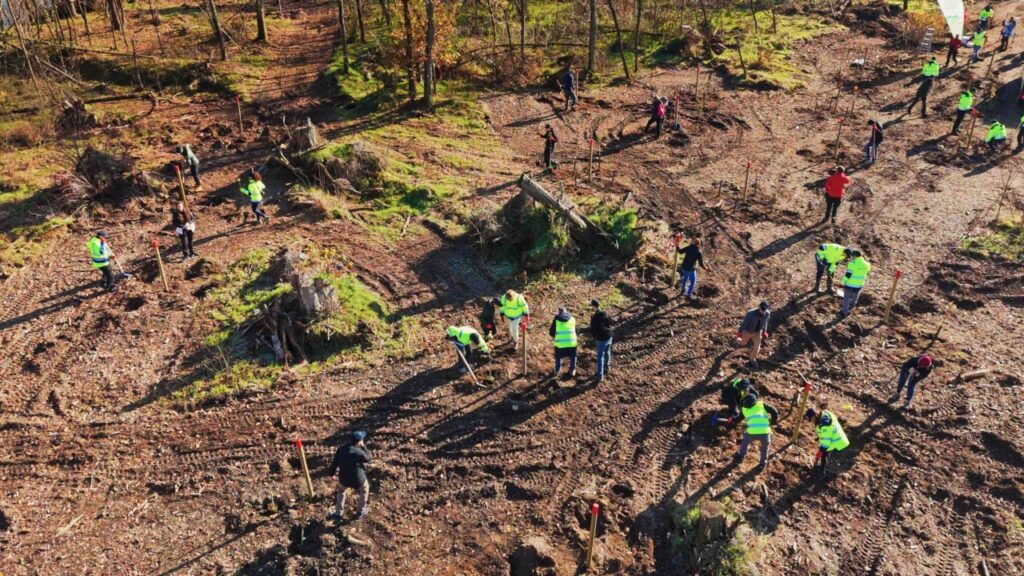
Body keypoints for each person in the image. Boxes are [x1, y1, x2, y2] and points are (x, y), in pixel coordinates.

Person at [327, 431, 371, 521]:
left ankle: (338, 514)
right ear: (359, 442)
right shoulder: (358, 452)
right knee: (364, 490)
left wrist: (331, 474)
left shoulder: (341, 450)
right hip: (358, 479)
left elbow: (334, 463)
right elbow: (368, 458)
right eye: (362, 440)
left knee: (341, 491)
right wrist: (364, 447)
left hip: (344, 479)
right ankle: (360, 512)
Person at [734, 393, 779, 471]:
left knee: (744, 442)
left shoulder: (745, 409)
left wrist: (732, 419)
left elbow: (738, 419)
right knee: (765, 448)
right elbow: (774, 411)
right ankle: (762, 464)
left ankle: (740, 456)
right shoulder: (761, 405)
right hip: (765, 432)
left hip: (751, 432)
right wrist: (772, 422)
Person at [803, 408, 849, 478]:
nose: (811, 422)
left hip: (837, 441)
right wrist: (820, 437)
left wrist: (819, 454)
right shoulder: (824, 414)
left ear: (814, 416)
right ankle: (821, 467)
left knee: (824, 454)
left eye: (811, 420)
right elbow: (825, 433)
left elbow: (825, 444)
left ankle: (822, 472)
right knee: (823, 453)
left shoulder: (825, 425)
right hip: (834, 436)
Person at [735, 301, 770, 368]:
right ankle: (736, 340)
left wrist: (764, 331)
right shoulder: (750, 313)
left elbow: (766, 322)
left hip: (758, 332)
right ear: (759, 307)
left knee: (757, 346)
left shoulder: (767, 313)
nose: (762, 312)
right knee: (742, 343)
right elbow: (744, 324)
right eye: (761, 309)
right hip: (748, 331)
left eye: (764, 310)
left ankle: (752, 359)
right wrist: (739, 333)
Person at [839, 249, 871, 317]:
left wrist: (842, 282)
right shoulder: (867, 264)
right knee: (856, 295)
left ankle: (844, 312)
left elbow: (848, 275)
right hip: (859, 284)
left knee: (846, 298)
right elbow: (867, 273)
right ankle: (852, 305)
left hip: (850, 285)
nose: (852, 257)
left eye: (852, 256)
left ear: (855, 256)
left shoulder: (852, 264)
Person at [549, 307, 578, 379]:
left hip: (560, 343)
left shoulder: (556, 320)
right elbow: (576, 330)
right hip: (572, 342)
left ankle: (557, 370)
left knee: (558, 356)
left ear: (559, 313)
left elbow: (552, 332)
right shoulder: (572, 319)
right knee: (573, 355)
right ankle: (572, 370)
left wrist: (556, 336)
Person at [589, 299, 613, 381]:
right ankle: (607, 367)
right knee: (607, 351)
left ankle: (600, 375)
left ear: (593, 306)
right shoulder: (606, 313)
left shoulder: (594, 317)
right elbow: (610, 322)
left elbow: (593, 330)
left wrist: (594, 337)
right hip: (609, 335)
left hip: (601, 339)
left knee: (600, 356)